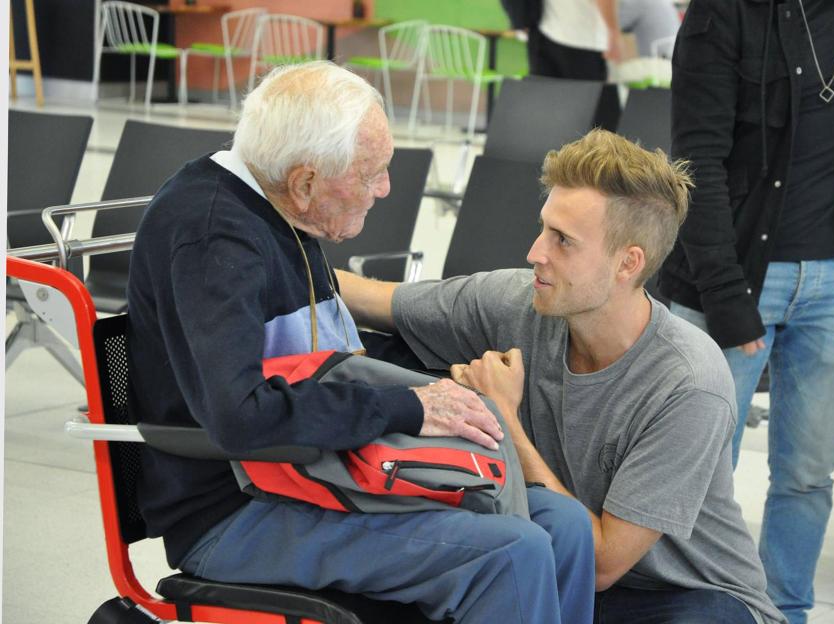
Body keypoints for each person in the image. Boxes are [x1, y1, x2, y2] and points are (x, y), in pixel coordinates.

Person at [125, 61, 596, 624]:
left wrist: (450, 379)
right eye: (372, 172)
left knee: (564, 529)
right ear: (305, 182)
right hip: (236, 511)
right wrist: (408, 406)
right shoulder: (213, 240)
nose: (385, 187)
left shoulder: (276, 205)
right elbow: (240, 417)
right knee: (511, 554)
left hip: (318, 473)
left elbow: (330, 358)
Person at [339, 129, 786, 624]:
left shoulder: (688, 384)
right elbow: (371, 299)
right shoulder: (519, 301)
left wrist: (502, 417)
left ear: (627, 263)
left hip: (691, 598)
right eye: (543, 228)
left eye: (562, 240)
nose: (535, 252)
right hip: (564, 568)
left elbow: (600, 566)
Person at [663, 1, 834, 620]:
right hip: (738, 274)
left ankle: (785, 612)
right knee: (697, 470)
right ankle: (698, 608)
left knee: (807, 475)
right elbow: (695, 161)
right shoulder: (722, 13)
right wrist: (725, 292)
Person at [528, 0, 622, 80]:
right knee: (588, 99)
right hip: (581, 38)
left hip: (543, 31)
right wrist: (613, 32)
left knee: (545, 98)